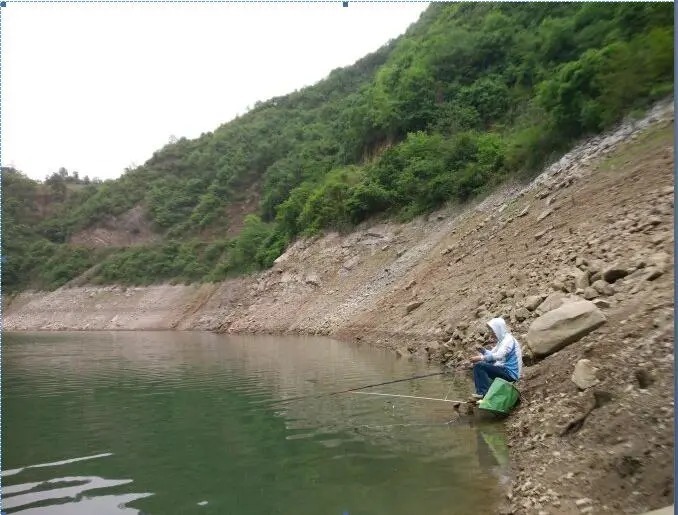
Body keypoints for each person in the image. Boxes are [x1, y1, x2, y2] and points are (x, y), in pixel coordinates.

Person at [470, 317, 523, 399]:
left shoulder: (508, 340)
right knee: (482, 364)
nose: (491, 333)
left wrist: (480, 357)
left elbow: (498, 356)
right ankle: (483, 392)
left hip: (510, 374)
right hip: (503, 369)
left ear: (498, 329)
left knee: (480, 366)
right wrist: (483, 351)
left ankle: (483, 394)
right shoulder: (502, 341)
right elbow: (493, 354)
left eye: (492, 330)